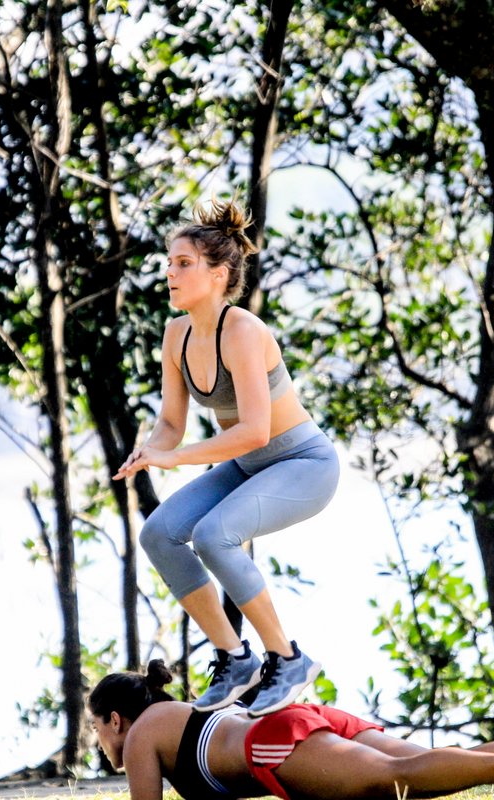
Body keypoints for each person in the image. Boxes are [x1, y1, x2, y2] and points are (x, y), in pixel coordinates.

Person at [114, 199, 339, 716]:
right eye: (169, 263)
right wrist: (151, 451)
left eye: (184, 263)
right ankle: (236, 659)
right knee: (159, 533)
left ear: (219, 274)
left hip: (303, 463)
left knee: (216, 535)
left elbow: (255, 431)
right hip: (249, 465)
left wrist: (177, 460)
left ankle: (288, 659)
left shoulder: (242, 330)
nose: (170, 272)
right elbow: (172, 422)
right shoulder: (177, 335)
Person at [88, 662, 494, 800]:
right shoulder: (177, 717)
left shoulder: (141, 733)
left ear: (115, 718)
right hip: (299, 722)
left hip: (276, 741)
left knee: (396, 780)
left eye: (97, 729)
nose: (101, 744)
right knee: (430, 761)